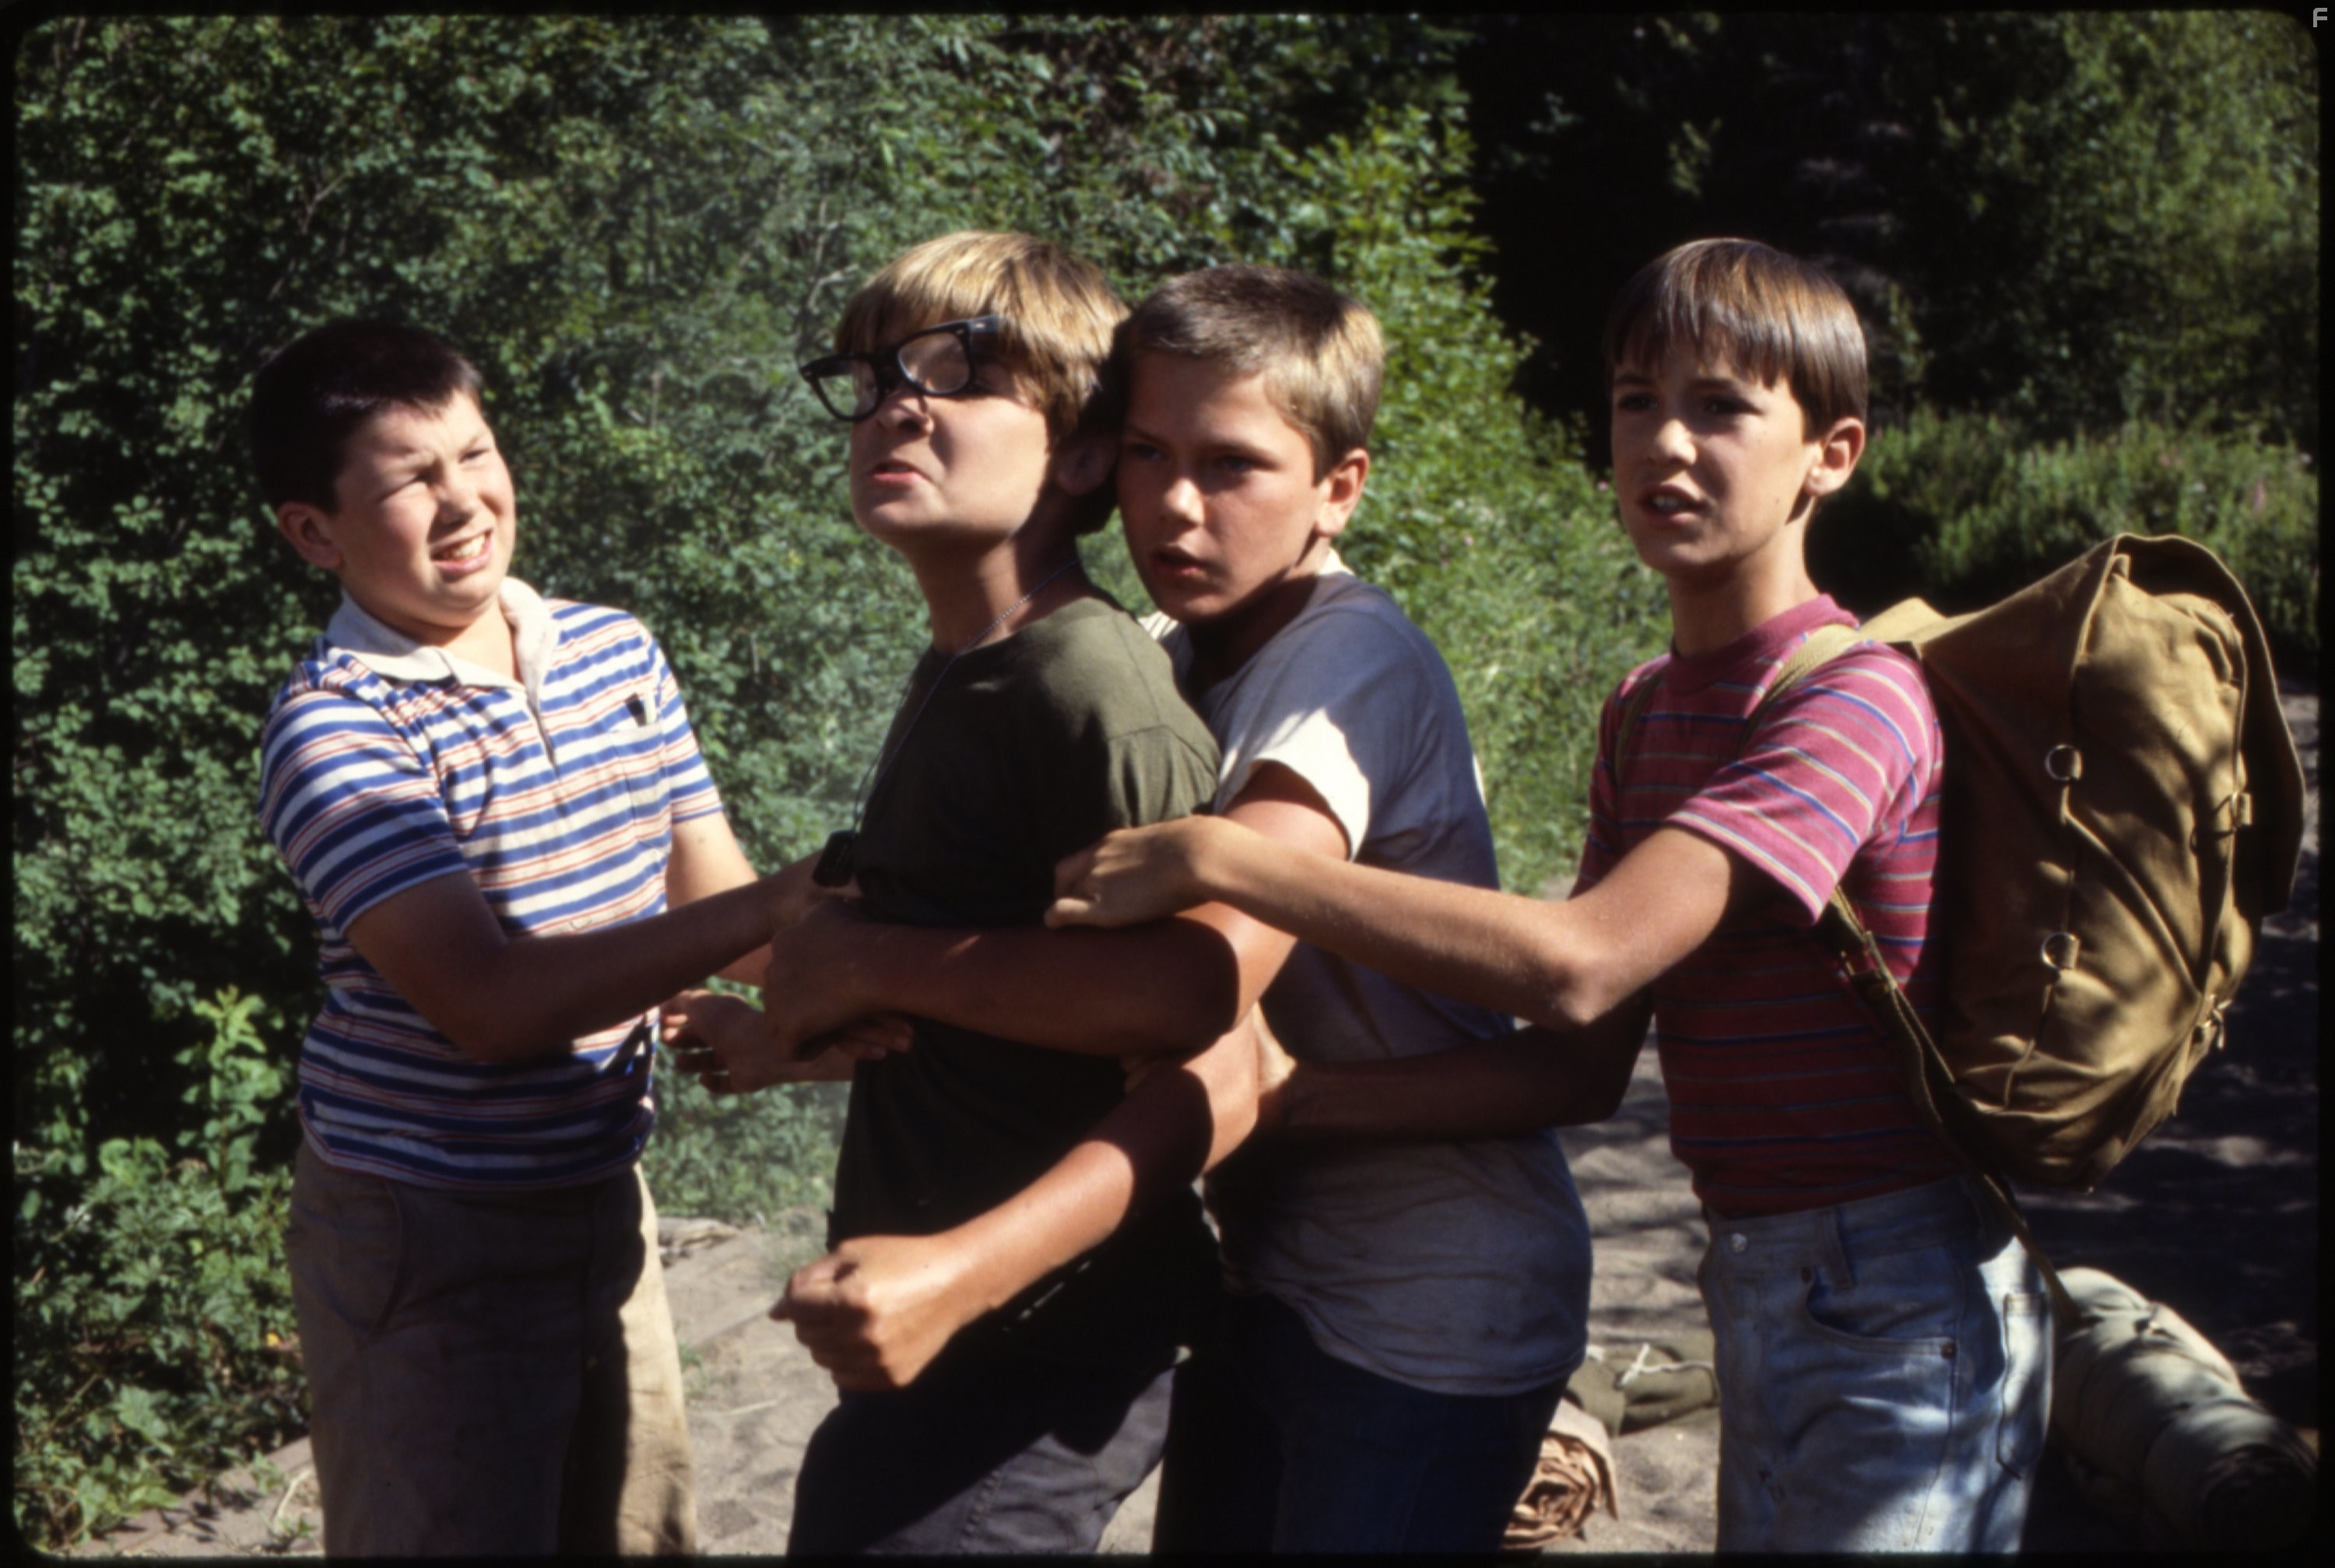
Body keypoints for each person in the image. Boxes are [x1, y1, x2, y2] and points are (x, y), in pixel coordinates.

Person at [1047, 238, 2053, 1553]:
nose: (1666, 445)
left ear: (1833, 453)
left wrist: (1230, 859)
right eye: (1638, 401)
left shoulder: (1854, 699)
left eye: (1722, 406)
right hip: (1752, 1273)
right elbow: (1578, 1072)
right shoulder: (1650, 706)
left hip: (1900, 1290)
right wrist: (1287, 1105)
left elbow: (1583, 964)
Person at [734, 264, 1595, 1555]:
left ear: (1339, 489)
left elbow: (1200, 983)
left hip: (1424, 1300)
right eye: (1149, 452)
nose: (1177, 505)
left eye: (1233, 466)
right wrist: (815, 1011)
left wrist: (868, 960)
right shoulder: (1183, 648)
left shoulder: (1340, 660)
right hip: (1271, 1271)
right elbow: (1041, 975)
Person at [658, 230, 1242, 1556]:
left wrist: (857, 963)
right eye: (871, 379)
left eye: (957, 373)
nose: (897, 405)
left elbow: (1175, 1020)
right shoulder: (967, 666)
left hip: (1045, 1327)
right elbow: (1000, 982)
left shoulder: (1083, 686)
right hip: (940, 1321)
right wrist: (795, 1033)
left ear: (1085, 454)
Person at [249, 319, 861, 1554]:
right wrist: (778, 904)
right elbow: (490, 1005)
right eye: (408, 481)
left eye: (473, 452)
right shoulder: (334, 732)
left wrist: (901, 982)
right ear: (313, 531)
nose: (463, 499)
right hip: (424, 1231)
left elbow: (726, 913)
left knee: (640, 1533)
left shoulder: (611, 649)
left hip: (602, 1194)